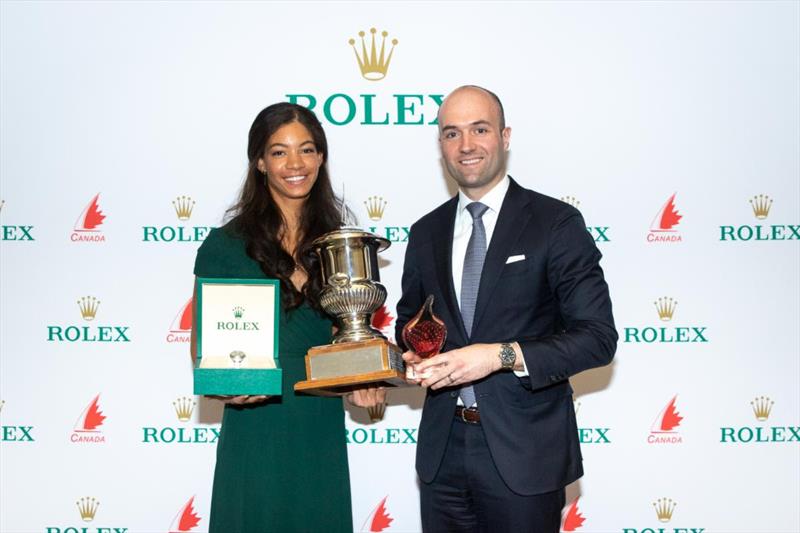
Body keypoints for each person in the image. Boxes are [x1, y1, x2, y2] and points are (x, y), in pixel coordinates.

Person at [395, 86, 617, 532]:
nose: (467, 145)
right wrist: (413, 351)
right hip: (442, 452)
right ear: (440, 145)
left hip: (526, 453)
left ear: (505, 135)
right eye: (452, 133)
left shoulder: (555, 223)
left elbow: (597, 338)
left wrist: (499, 354)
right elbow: (410, 321)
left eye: (480, 129)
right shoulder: (425, 232)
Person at [191, 102, 384, 532]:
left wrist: (365, 377)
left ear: (321, 157)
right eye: (279, 152)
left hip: (317, 430)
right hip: (257, 429)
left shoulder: (339, 244)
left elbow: (348, 339)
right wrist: (226, 385)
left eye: (307, 149)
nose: (295, 163)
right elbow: (204, 348)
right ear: (259, 162)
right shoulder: (226, 245)